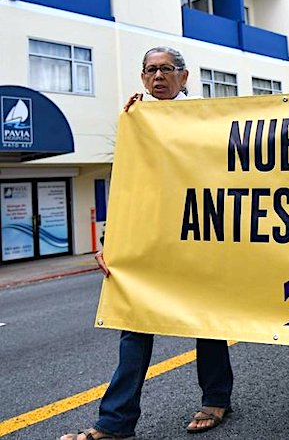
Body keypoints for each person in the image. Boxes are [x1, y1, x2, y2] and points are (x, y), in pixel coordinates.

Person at [61, 47, 234, 440]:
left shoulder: (207, 116)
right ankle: (116, 422)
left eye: (166, 69)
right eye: (151, 70)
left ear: (184, 77)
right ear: (142, 78)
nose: (158, 76)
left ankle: (216, 399)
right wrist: (110, 239)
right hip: (150, 241)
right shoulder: (135, 119)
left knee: (206, 319)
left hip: (198, 235)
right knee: (134, 324)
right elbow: (128, 185)